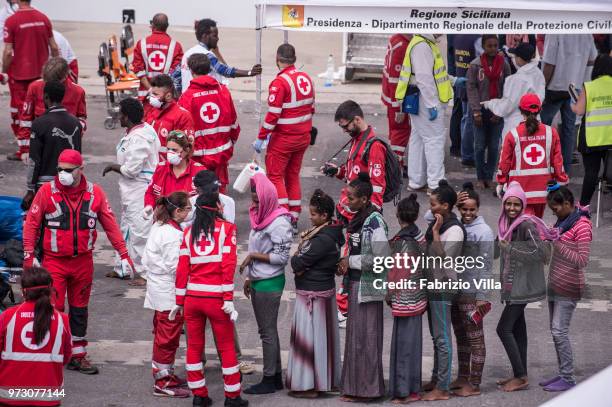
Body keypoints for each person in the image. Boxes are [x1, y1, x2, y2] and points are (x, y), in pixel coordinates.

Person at [22, 149, 135, 374]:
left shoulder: (95, 194)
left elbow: (111, 225)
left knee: (80, 309)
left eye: (68, 170)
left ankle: (78, 354)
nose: (62, 174)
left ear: (81, 170)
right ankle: (51, 352)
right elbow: (32, 223)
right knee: (54, 308)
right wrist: (28, 254)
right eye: (60, 169)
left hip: (83, 262)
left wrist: (124, 255)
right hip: (54, 262)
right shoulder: (47, 192)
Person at [172, 190, 247, 407]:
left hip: (192, 300)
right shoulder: (226, 229)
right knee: (226, 348)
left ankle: (199, 396)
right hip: (216, 299)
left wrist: (179, 301)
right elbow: (228, 266)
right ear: (217, 208)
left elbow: (182, 269)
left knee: (194, 347)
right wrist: (228, 298)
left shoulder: (188, 233)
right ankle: (232, 397)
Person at [496, 181, 555, 392]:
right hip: (512, 286)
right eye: (508, 204)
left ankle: (520, 377)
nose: (512, 209)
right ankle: (519, 373)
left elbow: (539, 253)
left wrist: (510, 248)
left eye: (516, 205)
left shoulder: (525, 225)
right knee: (518, 330)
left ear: (523, 205)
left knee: (503, 329)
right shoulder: (504, 223)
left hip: (522, 287)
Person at [286, 189, 344, 398]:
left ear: (324, 216)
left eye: (313, 214)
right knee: (321, 340)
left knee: (310, 340)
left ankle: (309, 385)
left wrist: (298, 262)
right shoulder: (327, 234)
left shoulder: (323, 240)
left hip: (313, 294)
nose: (309, 217)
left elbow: (297, 262)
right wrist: (300, 263)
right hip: (320, 292)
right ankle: (322, 380)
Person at [337, 172, 388, 402]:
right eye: (348, 196)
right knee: (355, 337)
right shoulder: (358, 218)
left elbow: (381, 258)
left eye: (353, 198)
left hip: (368, 285)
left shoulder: (374, 221)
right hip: (356, 283)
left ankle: (369, 390)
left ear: (365, 200)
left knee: (367, 338)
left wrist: (351, 261)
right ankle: (354, 387)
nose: (348, 201)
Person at [240, 173, 293, 395]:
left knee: (267, 332)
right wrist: (250, 277)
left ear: (269, 198)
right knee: (268, 331)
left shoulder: (279, 223)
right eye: (253, 199)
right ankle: (275, 376)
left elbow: (281, 258)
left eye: (258, 200)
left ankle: (270, 379)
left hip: (269, 283)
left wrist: (253, 256)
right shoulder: (262, 216)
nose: (255, 204)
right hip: (260, 280)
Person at [103, 98, 160, 283]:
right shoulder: (140, 130)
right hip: (131, 190)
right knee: (126, 228)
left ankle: (144, 273)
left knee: (140, 232)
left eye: (120, 114)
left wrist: (113, 167)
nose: (118, 117)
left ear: (126, 117)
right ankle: (124, 267)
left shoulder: (140, 137)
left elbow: (132, 169)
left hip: (140, 189)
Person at [541, 182, 592, 392]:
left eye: (556, 208)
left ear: (569, 203)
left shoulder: (582, 226)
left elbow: (582, 260)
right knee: (555, 332)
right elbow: (548, 253)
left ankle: (569, 378)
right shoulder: (563, 222)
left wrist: (558, 242)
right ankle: (563, 372)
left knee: (560, 331)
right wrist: (546, 239)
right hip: (555, 282)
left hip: (569, 286)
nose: (555, 213)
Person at [254, 43, 315, 218]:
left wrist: (261, 137)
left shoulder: (279, 83)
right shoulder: (306, 78)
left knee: (275, 176)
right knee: (293, 175)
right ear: (294, 59)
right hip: (303, 136)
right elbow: (311, 108)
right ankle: (294, 215)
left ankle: (282, 217)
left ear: (277, 59)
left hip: (284, 139)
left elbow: (273, 115)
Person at [143, 192, 192, 398]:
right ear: (178, 211)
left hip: (159, 290)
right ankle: (162, 382)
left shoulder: (160, 225)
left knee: (164, 335)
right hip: (168, 294)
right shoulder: (172, 235)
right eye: (188, 208)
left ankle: (166, 374)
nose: (191, 211)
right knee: (167, 338)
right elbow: (177, 268)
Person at [0, 267, 72, 406]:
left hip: (8, 396)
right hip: (49, 398)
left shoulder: (8, 316)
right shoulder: (62, 319)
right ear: (50, 290)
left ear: (23, 292)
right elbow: (66, 356)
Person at [422, 180, 465, 401]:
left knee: (442, 338)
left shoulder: (454, 230)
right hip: (432, 284)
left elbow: (445, 261)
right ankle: (436, 379)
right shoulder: (440, 219)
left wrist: (437, 231)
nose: (431, 208)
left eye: (434, 204)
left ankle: (443, 387)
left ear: (446, 206)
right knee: (436, 336)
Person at [451, 182, 494, 397]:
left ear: (478, 209)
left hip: (471, 294)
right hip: (455, 291)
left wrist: (481, 297)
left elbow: (486, 266)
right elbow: (431, 217)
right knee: (461, 336)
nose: (467, 213)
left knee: (476, 339)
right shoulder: (456, 224)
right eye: (463, 209)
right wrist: (452, 202)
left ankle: (475, 383)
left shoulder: (484, 232)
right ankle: (462, 375)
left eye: (471, 209)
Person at [2, 0, 59, 161]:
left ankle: (25, 150)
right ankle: (45, 145)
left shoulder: (11, 21)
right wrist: (56, 69)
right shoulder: (43, 18)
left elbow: (7, 52)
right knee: (42, 109)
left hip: (20, 77)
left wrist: (4, 72)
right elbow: (54, 47)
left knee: (23, 113)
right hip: (42, 75)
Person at [396, 34, 453, 193]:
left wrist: (452, 81)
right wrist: (432, 104)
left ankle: (416, 181)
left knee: (419, 139)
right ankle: (436, 185)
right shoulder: (423, 46)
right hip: (426, 100)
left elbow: (433, 74)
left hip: (420, 99)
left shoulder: (423, 42)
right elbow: (424, 79)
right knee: (434, 139)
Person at [496, 93, 568, 218]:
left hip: (518, 192)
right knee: (537, 226)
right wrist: (562, 181)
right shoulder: (551, 133)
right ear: (540, 110)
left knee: (521, 229)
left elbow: (504, 163)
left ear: (520, 110)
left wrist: (501, 182)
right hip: (542, 191)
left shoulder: (512, 135)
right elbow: (558, 162)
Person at [179, 53, 239, 192]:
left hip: (198, 158)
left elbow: (182, 131)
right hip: (222, 155)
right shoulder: (223, 91)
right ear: (209, 69)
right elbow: (234, 124)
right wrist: (229, 144)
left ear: (191, 70)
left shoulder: (187, 97)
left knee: (200, 198)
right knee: (220, 197)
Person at [386, 193, 426, 404]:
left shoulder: (403, 241)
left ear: (398, 214)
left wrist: (389, 293)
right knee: (413, 345)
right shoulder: (420, 236)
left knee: (403, 347)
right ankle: (412, 387)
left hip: (405, 299)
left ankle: (405, 391)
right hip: (418, 297)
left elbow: (397, 273)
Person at [541, 35, 597, 174]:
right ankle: (564, 170)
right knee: (568, 130)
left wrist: (542, 87)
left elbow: (549, 63)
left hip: (554, 87)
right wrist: (577, 66)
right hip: (574, 86)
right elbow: (592, 59)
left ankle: (542, 167)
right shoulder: (586, 32)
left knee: (542, 128)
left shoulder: (555, 31)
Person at [22, 80, 83, 209]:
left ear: (46, 97)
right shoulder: (76, 123)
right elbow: (78, 157)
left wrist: (30, 189)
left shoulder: (39, 123)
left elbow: (34, 160)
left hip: (46, 185)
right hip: (71, 182)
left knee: (46, 223)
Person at [322, 100, 386, 223]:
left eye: (346, 126)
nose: (344, 130)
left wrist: (373, 214)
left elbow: (378, 185)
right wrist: (337, 171)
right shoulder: (357, 139)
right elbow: (353, 175)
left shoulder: (374, 146)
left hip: (360, 216)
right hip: (349, 212)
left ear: (357, 119)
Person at [18, 57, 87, 162]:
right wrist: (25, 150)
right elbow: (26, 120)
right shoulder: (34, 88)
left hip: (67, 148)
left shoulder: (78, 92)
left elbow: (82, 120)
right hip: (40, 147)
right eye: (46, 81)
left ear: (65, 76)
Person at [467, 35, 511, 189]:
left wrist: (500, 111)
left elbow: (508, 88)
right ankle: (480, 176)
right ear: (484, 47)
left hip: (497, 112)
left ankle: (489, 175)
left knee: (494, 146)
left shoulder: (504, 64)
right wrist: (476, 112)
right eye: (489, 46)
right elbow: (471, 89)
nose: (493, 49)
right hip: (480, 111)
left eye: (495, 45)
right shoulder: (475, 65)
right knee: (479, 146)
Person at [571, 54, 612, 206]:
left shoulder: (589, 87)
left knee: (591, 173)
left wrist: (573, 105)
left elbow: (580, 110)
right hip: (610, 140)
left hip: (592, 139)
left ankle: (583, 206)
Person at [482, 42, 545, 141]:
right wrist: (509, 53)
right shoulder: (538, 73)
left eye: (515, 56)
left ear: (520, 58)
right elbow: (524, 68)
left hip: (516, 126)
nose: (514, 59)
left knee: (514, 155)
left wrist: (489, 104)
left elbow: (506, 106)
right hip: (535, 123)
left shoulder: (516, 80)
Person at [181, 18, 261, 90]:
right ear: (205, 36)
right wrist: (250, 73)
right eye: (215, 36)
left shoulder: (187, 53)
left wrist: (217, 52)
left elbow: (176, 79)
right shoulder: (206, 55)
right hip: (202, 102)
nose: (217, 38)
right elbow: (224, 70)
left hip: (187, 101)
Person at [143, 131, 203, 219]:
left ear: (186, 150)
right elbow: (150, 192)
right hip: (163, 222)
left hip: (189, 224)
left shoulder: (199, 171)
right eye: (168, 149)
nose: (170, 153)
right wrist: (149, 206)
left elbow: (207, 200)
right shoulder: (161, 168)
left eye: (174, 150)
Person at [144, 74, 194, 162]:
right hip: (152, 168)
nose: (152, 97)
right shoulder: (151, 111)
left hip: (169, 169)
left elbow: (188, 148)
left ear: (168, 96)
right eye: (152, 93)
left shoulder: (182, 116)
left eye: (155, 94)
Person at [132, 13, 183, 99]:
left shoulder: (141, 44)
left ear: (152, 25)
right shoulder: (176, 46)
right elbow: (176, 73)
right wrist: (161, 93)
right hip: (166, 97)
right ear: (167, 26)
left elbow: (139, 71)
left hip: (146, 96)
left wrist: (151, 90)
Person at [381, 33, 412, 172]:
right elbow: (396, 80)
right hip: (397, 100)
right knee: (400, 132)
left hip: (390, 96)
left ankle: (393, 163)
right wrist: (399, 107)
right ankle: (394, 167)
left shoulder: (396, 38)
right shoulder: (403, 46)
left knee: (394, 132)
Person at [453, 34, 482, 167]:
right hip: (473, 86)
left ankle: (465, 152)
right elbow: (483, 59)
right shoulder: (477, 38)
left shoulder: (459, 36)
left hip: (462, 82)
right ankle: (468, 155)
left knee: (465, 120)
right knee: (469, 121)